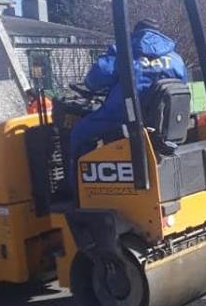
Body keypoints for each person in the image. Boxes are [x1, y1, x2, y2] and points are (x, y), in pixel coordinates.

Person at [69, 19, 187, 184]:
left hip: (122, 116)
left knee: (79, 133)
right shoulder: (176, 59)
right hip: (161, 122)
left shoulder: (124, 51)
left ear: (135, 32)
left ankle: (76, 190)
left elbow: (94, 80)